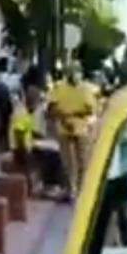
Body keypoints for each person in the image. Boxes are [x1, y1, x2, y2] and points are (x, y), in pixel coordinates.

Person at [47, 62, 97, 201]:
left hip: (81, 127)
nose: (75, 74)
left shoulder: (85, 88)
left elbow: (91, 109)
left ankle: (81, 190)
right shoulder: (59, 87)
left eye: (77, 71)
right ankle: (70, 190)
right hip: (63, 126)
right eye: (72, 71)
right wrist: (64, 116)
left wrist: (75, 113)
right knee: (67, 162)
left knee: (83, 161)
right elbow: (51, 107)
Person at [0, 57, 20, 153]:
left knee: (3, 122)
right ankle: (6, 144)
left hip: (4, 102)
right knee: (7, 123)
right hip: (8, 101)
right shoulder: (5, 76)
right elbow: (16, 88)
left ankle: (3, 144)